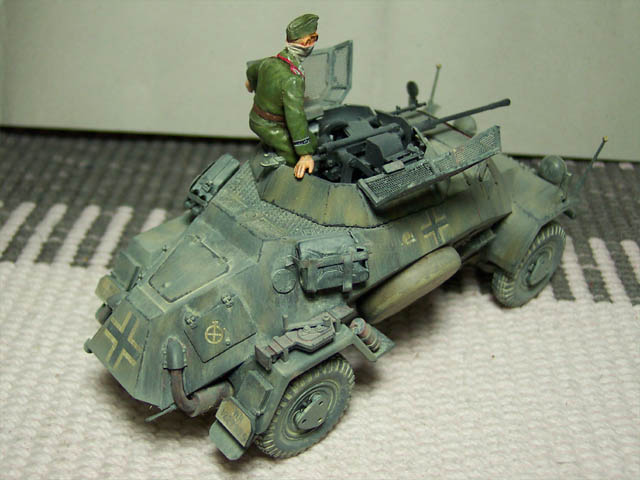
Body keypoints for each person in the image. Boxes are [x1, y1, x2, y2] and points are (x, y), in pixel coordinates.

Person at [245, 14, 319, 179]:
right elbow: (295, 117)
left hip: (257, 118)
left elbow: (252, 70)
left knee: (313, 141)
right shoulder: (293, 79)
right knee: (295, 160)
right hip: (271, 127)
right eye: (314, 38)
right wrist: (305, 154)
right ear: (307, 42)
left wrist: (251, 84)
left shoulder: (270, 61)